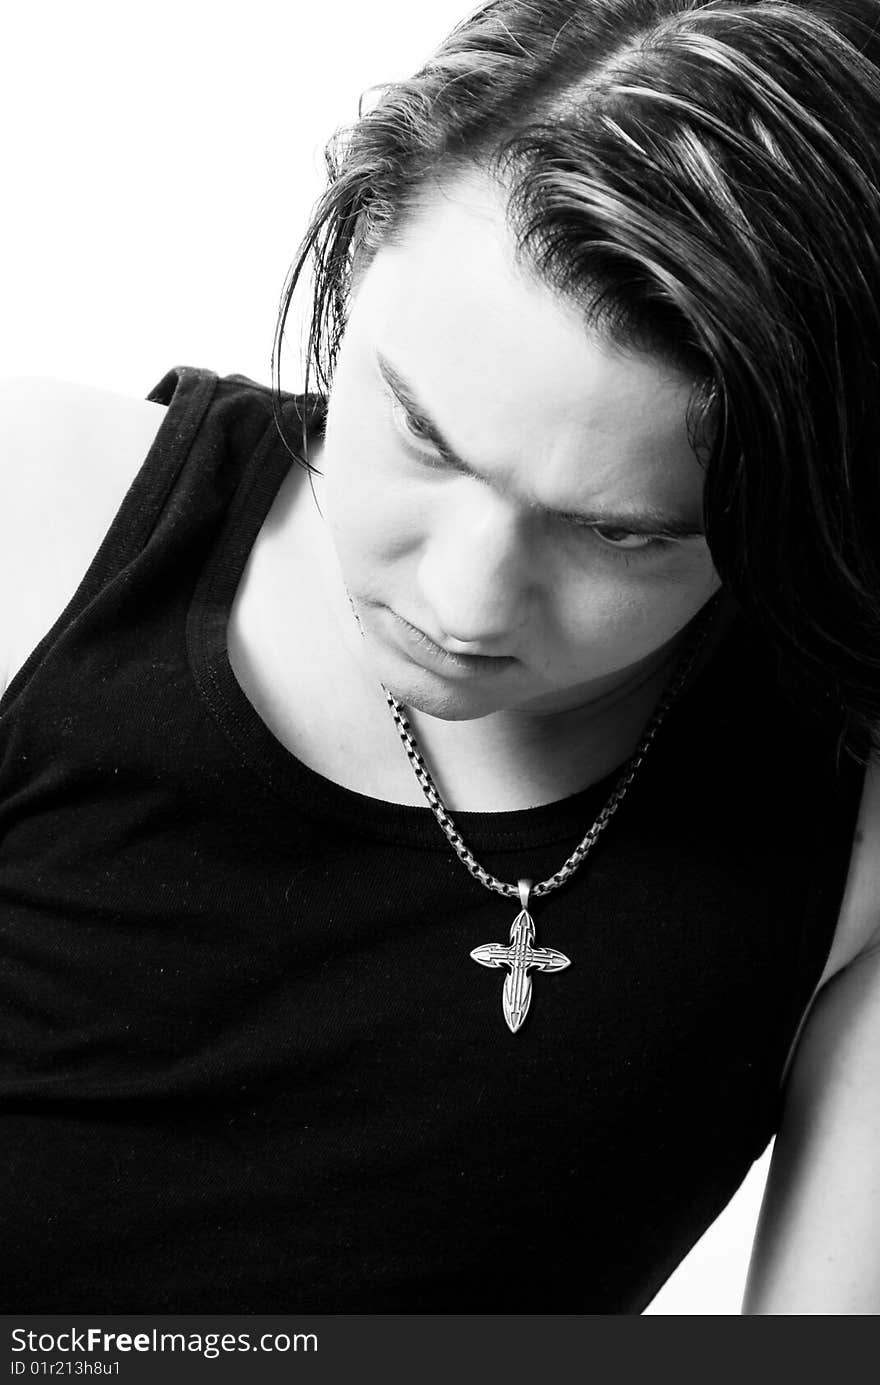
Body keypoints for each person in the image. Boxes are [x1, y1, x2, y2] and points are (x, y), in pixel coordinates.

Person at [1, 0, 879, 1315]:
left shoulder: (848, 832)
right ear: (356, 260)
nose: (466, 600)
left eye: (621, 534)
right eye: (426, 434)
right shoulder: (35, 519)